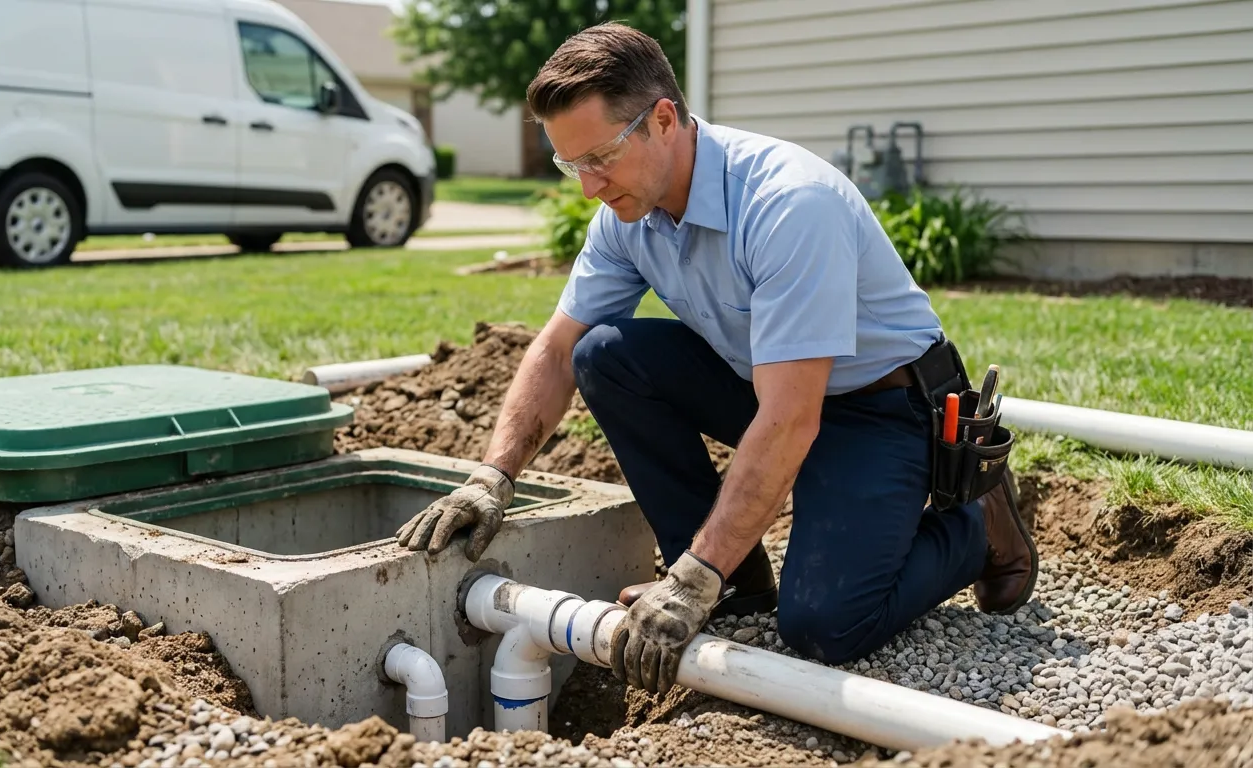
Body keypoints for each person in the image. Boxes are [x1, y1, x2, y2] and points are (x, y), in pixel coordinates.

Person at [394, 21, 1038, 698]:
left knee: (825, 625)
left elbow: (792, 420)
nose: (588, 186)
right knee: (606, 354)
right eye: (570, 164)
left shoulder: (787, 204)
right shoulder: (625, 216)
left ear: (663, 119)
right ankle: (731, 583)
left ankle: (975, 523)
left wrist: (689, 580)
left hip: (883, 409)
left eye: (601, 157)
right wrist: (492, 478)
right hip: (774, 388)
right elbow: (557, 349)